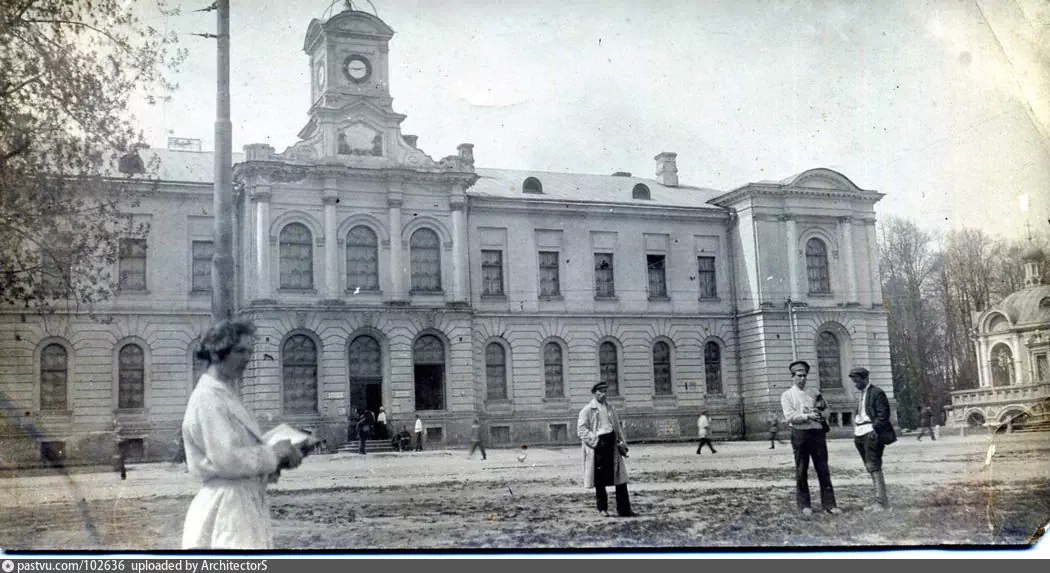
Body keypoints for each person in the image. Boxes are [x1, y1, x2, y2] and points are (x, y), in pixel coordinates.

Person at [181, 319, 303, 549]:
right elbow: (227, 460)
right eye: (240, 351)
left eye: (249, 351)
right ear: (217, 353)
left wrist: (281, 458)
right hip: (226, 507)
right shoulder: (208, 398)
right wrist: (273, 455)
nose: (247, 358)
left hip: (242, 503)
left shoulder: (226, 394)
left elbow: (239, 453)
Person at [780, 359, 841, 517]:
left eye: (804, 375)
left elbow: (827, 410)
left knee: (823, 469)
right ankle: (804, 505)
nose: (802, 379)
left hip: (817, 433)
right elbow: (790, 416)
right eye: (799, 376)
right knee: (801, 470)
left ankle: (829, 504)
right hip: (800, 434)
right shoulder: (787, 395)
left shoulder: (814, 392)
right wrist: (808, 416)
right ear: (792, 377)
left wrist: (820, 414)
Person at [577, 381, 636, 518]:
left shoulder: (611, 409)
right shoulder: (587, 410)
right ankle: (602, 508)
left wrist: (622, 444)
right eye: (600, 391)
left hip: (612, 444)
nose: (603, 394)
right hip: (598, 446)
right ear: (594, 392)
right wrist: (596, 441)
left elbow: (617, 428)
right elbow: (581, 430)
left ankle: (624, 509)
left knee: (620, 478)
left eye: (605, 391)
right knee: (599, 479)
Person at [849, 367, 897, 512]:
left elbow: (883, 414)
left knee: (874, 465)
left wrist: (874, 429)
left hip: (872, 433)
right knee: (870, 466)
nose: (855, 385)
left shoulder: (877, 392)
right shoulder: (861, 394)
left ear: (865, 379)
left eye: (857, 381)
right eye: (854, 382)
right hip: (860, 433)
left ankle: (881, 502)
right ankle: (880, 501)